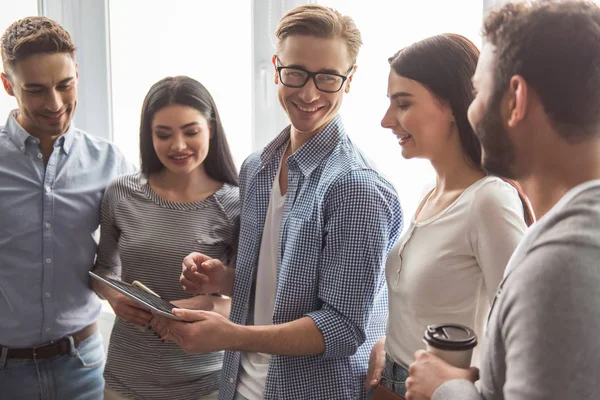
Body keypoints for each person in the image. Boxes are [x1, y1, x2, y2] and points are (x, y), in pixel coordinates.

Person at [151, 5, 403, 400]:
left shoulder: (356, 189)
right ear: (276, 67)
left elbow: (342, 328)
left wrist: (232, 335)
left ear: (350, 80)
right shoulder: (257, 167)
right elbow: (282, 293)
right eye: (296, 72)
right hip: (239, 388)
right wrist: (226, 279)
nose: (308, 92)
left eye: (328, 78)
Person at [405, 1, 600, 399]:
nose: (470, 110)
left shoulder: (562, 265)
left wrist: (447, 389)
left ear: (516, 99)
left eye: (477, 91)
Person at [365, 33, 531, 398]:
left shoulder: (489, 202)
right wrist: (386, 344)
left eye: (403, 104)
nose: (386, 120)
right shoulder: (428, 193)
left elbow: (526, 335)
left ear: (454, 106)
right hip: (390, 386)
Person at [0, 16, 133, 399]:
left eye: (65, 85)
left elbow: (135, 246)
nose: (55, 104)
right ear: (8, 85)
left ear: (77, 72)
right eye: (36, 90)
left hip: (83, 366)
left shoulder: (109, 162)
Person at [92, 76, 240, 400]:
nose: (178, 146)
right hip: (125, 379)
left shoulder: (236, 203)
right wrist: (114, 297)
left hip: (207, 383)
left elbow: (252, 297)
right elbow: (103, 270)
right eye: (163, 134)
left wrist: (205, 305)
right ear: (149, 134)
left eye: (191, 132)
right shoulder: (121, 193)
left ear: (211, 129)